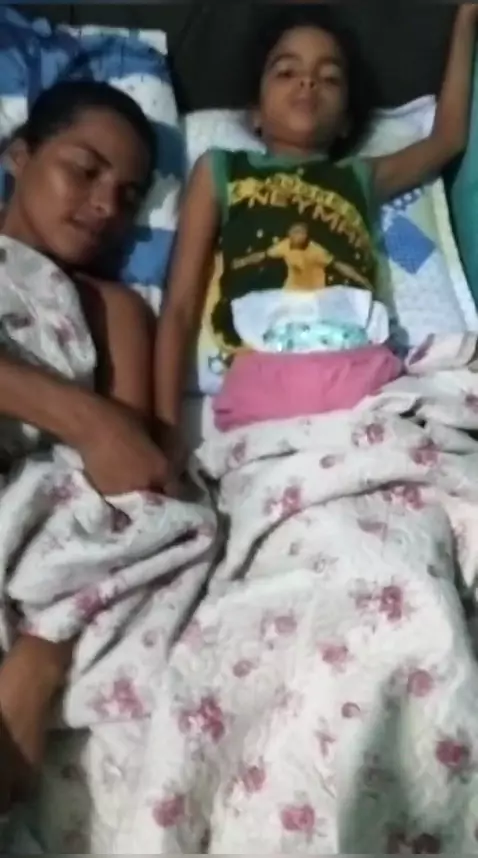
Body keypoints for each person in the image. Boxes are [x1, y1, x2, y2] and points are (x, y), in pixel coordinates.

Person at [155, 3, 478, 430]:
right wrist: (166, 428)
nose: (308, 81)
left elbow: (449, 138)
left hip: (358, 375)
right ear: (256, 112)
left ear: (346, 121)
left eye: (329, 78)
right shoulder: (221, 170)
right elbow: (179, 306)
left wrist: (467, 19)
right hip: (265, 376)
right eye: (286, 71)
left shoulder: (360, 177)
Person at [0, 79, 178, 812]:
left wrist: (42, 654)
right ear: (19, 156)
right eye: (85, 170)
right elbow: (105, 434)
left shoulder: (115, 310)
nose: (108, 205)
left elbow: (135, 478)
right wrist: (86, 417)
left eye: (129, 196)